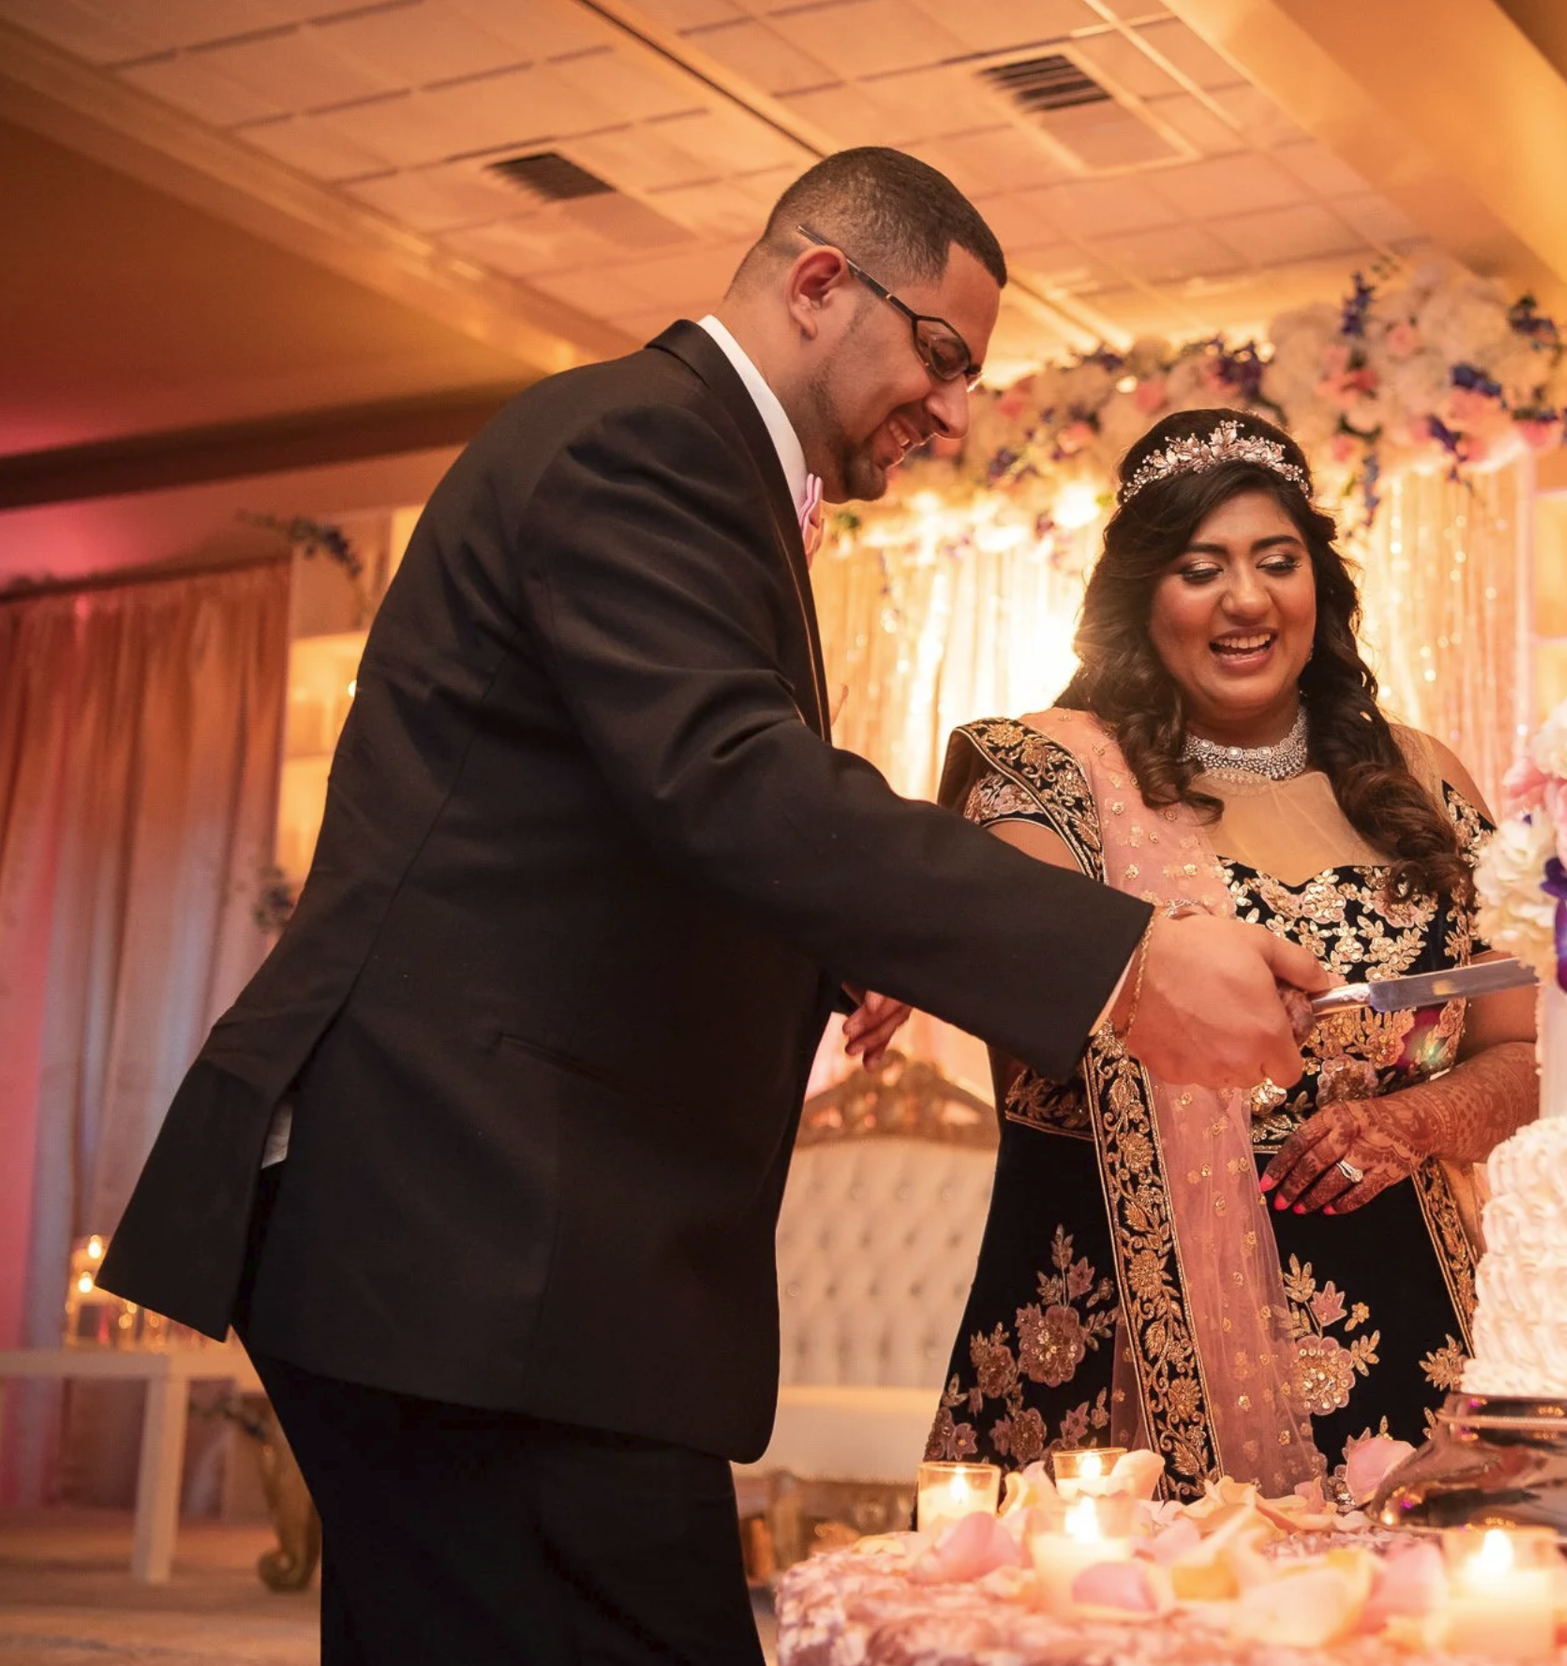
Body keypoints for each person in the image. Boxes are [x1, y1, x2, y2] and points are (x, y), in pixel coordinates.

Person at [97, 150, 1327, 1662]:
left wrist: (821, 943)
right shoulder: (640, 443)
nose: (952, 410)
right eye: (942, 355)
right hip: (476, 1230)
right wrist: (1125, 955)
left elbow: (626, 806)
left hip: (477, 1242)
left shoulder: (684, 461)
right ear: (821, 282)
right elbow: (729, 776)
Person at [926, 410, 1540, 1499]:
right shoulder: (1043, 777)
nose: (1246, 599)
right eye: (1198, 567)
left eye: (1276, 561)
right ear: (1139, 597)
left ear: (1319, 586)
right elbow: (1010, 975)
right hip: (1124, 1356)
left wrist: (1412, 1120)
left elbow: (1525, 1047)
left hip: (1418, 1338)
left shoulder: (1424, 782)